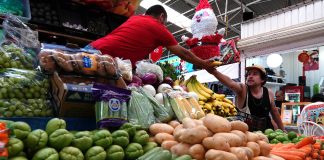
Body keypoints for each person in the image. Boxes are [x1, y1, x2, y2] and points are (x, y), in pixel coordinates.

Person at [87, 5, 216, 70]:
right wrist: (204, 64)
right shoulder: (158, 27)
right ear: (161, 17)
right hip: (102, 59)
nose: (164, 25)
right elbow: (184, 54)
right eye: (164, 22)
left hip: (91, 49)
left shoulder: (134, 18)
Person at [207, 65, 285, 131]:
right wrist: (214, 71)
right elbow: (231, 83)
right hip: (247, 135)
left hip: (267, 132)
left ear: (262, 79)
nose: (250, 76)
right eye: (249, 74)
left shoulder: (268, 92)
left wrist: (283, 130)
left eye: (255, 74)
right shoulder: (243, 89)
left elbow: (274, 112)